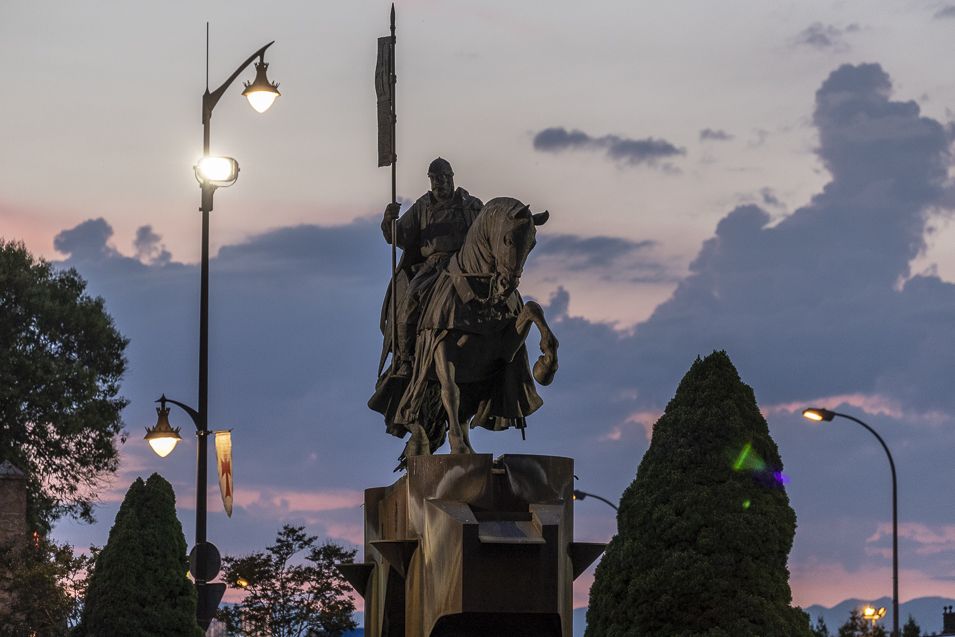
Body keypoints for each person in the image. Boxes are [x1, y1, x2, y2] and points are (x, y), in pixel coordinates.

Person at [381, 157, 483, 377]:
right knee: (410, 299)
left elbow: (486, 233)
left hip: (465, 264)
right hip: (434, 266)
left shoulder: (471, 205)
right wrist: (389, 221)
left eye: (444, 178)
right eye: (435, 179)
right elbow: (398, 236)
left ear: (452, 178)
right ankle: (406, 357)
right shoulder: (422, 207)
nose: (440, 183)